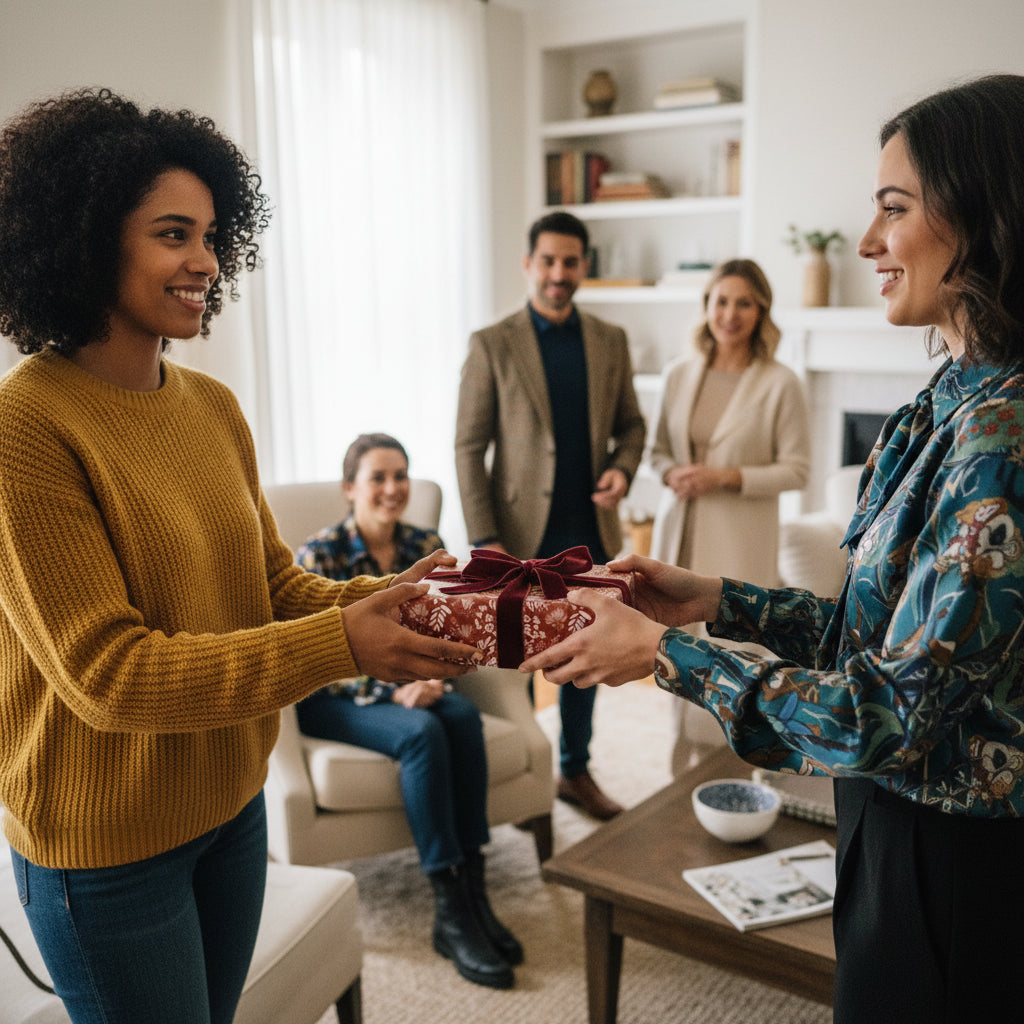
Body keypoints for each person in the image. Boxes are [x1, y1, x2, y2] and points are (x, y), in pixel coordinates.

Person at [520, 74, 1024, 1023]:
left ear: (985, 211)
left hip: (956, 868)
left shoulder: (1005, 442)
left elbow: (889, 713)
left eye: (893, 208)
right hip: (887, 821)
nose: (869, 241)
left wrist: (665, 653)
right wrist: (712, 598)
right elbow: (864, 635)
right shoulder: (947, 402)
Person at [0, 88, 481, 1024]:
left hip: (231, 804)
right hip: (106, 846)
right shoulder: (26, 426)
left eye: (213, 235)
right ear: (89, 237)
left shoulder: (211, 407)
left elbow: (271, 586)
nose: (206, 262)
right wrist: (346, 644)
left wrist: (402, 593)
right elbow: (110, 676)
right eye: (173, 234)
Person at [296, 432, 520, 990]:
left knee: (463, 719)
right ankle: (448, 907)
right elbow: (310, 647)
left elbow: (448, 626)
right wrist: (397, 687)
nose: (393, 489)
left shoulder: (426, 542)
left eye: (401, 476)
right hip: (331, 698)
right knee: (422, 734)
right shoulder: (319, 553)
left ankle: (474, 888)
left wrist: (434, 677)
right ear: (351, 488)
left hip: (412, 687)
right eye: (378, 477)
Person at [455, 210, 647, 821]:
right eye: (548, 261)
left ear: (583, 266)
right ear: (529, 264)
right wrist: (485, 539)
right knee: (517, 659)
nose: (559, 274)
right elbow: (468, 446)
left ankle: (575, 770)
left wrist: (623, 469)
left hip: (588, 535)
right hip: (516, 537)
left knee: (587, 657)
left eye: (570, 262)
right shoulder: (492, 343)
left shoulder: (609, 341)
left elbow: (632, 426)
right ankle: (522, 775)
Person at [644, 258, 809, 774]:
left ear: (761, 311)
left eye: (744, 303)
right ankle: (678, 771)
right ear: (706, 306)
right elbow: (655, 453)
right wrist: (673, 472)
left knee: (732, 660)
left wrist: (725, 476)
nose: (730, 314)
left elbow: (798, 470)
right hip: (680, 535)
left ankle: (735, 772)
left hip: (737, 543)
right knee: (671, 652)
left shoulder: (781, 382)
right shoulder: (678, 373)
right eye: (721, 301)